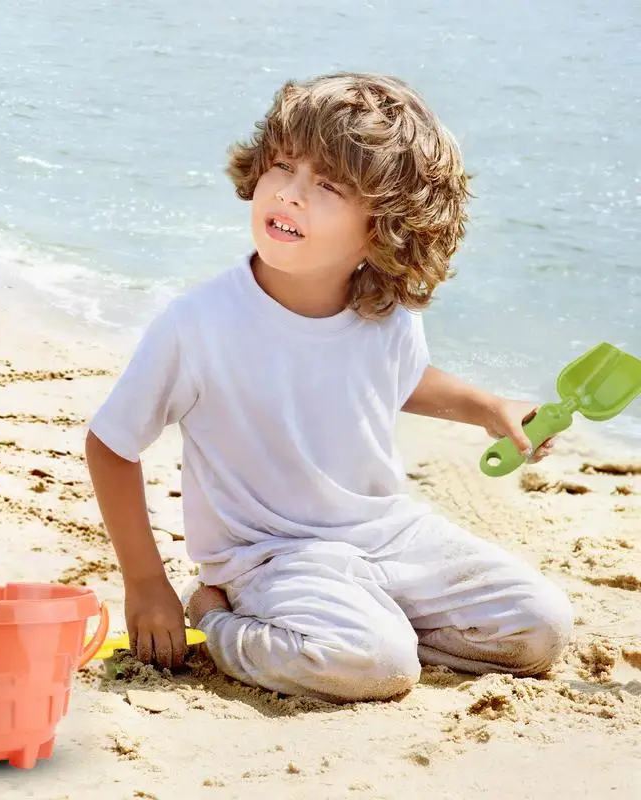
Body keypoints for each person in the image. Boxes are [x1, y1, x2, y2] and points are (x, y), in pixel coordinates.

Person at [85, 72, 573, 703]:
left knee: (540, 629)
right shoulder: (199, 325)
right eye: (283, 166)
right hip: (272, 555)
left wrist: (488, 407)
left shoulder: (386, 314)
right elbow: (112, 443)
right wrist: (145, 582)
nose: (289, 194)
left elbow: (392, 381)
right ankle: (221, 618)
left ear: (384, 226)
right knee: (375, 666)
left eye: (328, 186)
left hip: (388, 533)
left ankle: (367, 625)